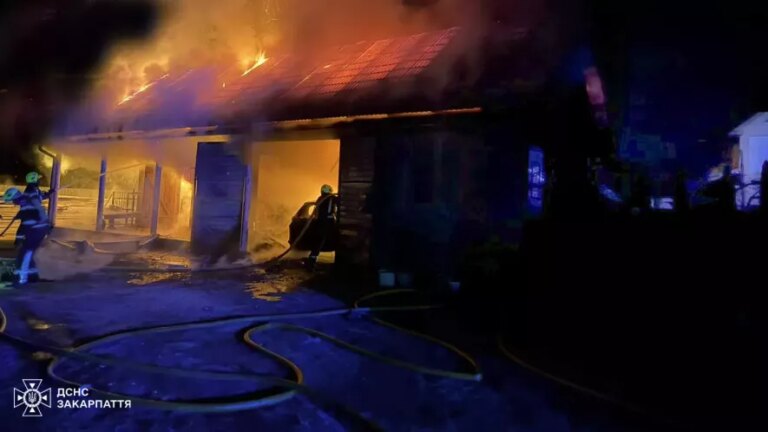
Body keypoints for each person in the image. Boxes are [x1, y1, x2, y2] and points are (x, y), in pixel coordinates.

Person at [3, 187, 50, 285]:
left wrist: (19, 239)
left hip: (37, 229)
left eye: (12, 200)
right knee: (27, 253)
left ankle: (21, 279)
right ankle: (33, 276)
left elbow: (25, 226)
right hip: (39, 228)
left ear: (16, 197)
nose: (13, 203)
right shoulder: (27, 200)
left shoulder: (25, 205)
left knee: (26, 253)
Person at [306, 184, 338, 270]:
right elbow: (340, 202)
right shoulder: (332, 198)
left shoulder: (320, 198)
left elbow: (316, 211)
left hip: (320, 222)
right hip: (328, 222)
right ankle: (311, 262)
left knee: (318, 242)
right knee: (335, 239)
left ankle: (311, 261)